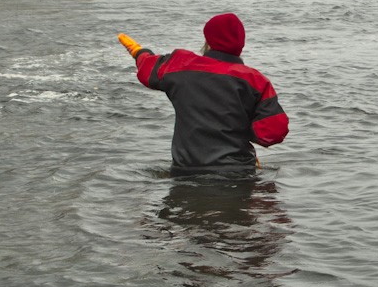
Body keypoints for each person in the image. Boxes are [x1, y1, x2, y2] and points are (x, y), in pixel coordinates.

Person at [118, 12, 289, 174]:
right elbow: (275, 131)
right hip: (237, 171)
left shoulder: (180, 65)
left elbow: (148, 69)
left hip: (185, 171)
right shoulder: (255, 80)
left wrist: (139, 51)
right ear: (241, 44)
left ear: (208, 40)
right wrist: (241, 129)